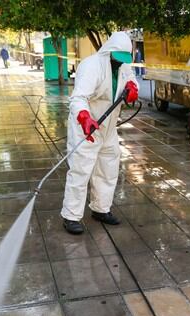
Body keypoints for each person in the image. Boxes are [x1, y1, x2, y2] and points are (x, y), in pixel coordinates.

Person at [61, 31, 139, 234]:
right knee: (81, 170)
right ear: (109, 51)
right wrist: (85, 118)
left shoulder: (123, 65)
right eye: (118, 58)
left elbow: (130, 78)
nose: (120, 63)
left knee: (108, 168)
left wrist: (133, 87)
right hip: (86, 127)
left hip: (108, 128)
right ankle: (71, 216)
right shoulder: (91, 66)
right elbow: (78, 98)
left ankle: (100, 209)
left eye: (124, 60)